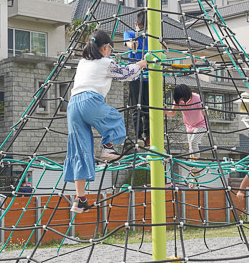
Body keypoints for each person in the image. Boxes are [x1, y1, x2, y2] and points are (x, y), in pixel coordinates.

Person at [64, 30, 147, 213]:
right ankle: (108, 148)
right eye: (110, 47)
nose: (110, 51)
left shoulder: (82, 62)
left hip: (73, 106)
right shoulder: (106, 62)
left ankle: (80, 199)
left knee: (80, 150)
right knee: (115, 119)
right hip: (90, 101)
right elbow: (125, 74)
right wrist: (140, 64)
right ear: (104, 47)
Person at [164, 83, 208, 177]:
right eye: (179, 99)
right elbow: (172, 113)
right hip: (189, 126)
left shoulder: (196, 98)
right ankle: (194, 174)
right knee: (190, 148)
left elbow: (204, 112)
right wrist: (164, 111)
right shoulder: (179, 100)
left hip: (201, 124)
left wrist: (205, 111)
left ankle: (195, 165)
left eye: (182, 98)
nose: (181, 101)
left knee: (193, 142)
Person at [123, 13, 150, 146]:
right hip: (135, 76)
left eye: (145, 27)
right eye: (141, 27)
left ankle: (149, 135)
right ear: (136, 25)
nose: (143, 29)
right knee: (136, 107)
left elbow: (161, 48)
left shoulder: (152, 37)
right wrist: (132, 44)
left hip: (149, 77)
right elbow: (128, 43)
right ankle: (138, 136)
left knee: (149, 107)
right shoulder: (130, 33)